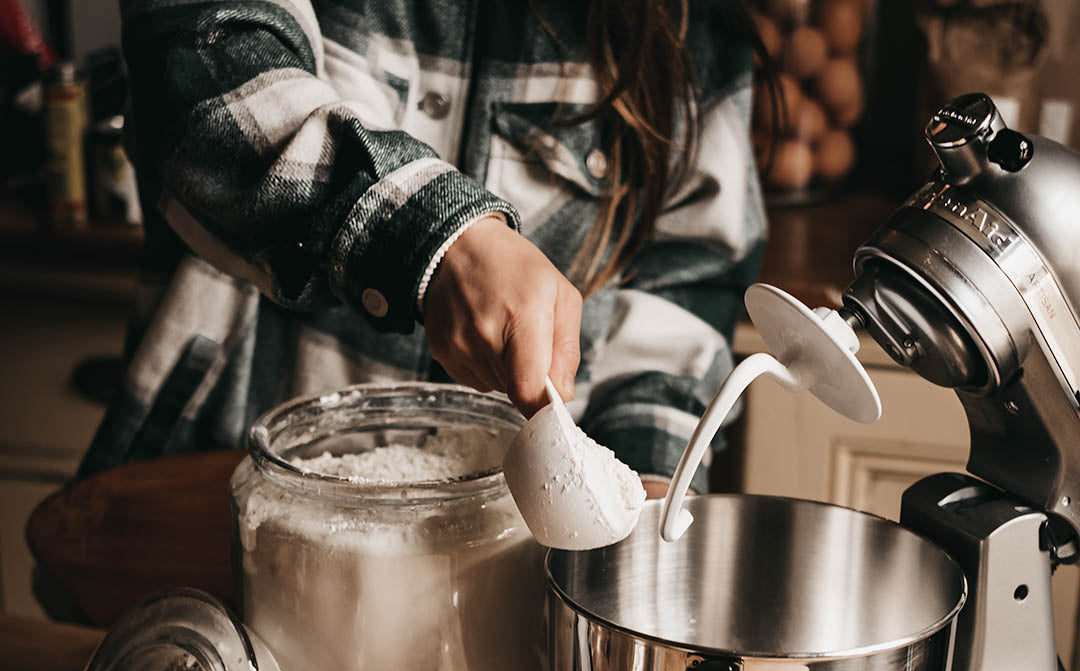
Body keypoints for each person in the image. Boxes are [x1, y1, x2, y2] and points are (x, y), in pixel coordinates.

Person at [79, 0, 767, 488]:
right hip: (220, 488)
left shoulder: (692, 31)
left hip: (514, 558)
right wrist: (437, 237)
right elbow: (201, 55)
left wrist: (638, 478)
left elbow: (681, 293)